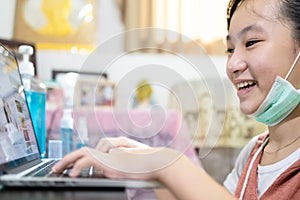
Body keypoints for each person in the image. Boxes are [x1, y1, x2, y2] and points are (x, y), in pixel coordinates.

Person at [52, 0, 300, 199]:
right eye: (230, 49)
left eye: (252, 42)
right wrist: (148, 167)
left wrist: (166, 163)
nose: (233, 64)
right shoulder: (254, 153)